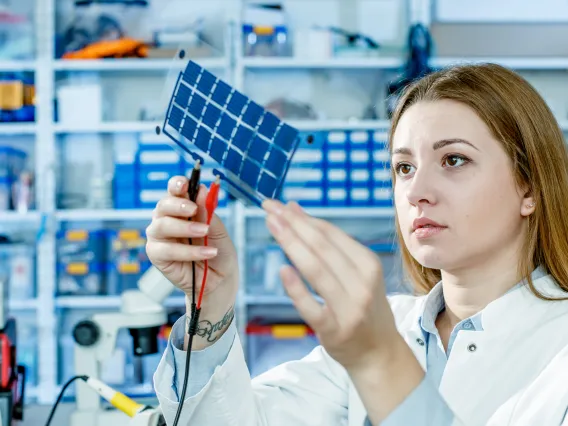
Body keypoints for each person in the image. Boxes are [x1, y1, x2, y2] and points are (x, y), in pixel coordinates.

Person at [147, 63, 568, 426]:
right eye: (404, 167)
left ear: (528, 186)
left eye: (453, 160)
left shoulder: (558, 349)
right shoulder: (387, 327)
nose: (416, 191)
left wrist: (381, 361)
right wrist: (212, 304)